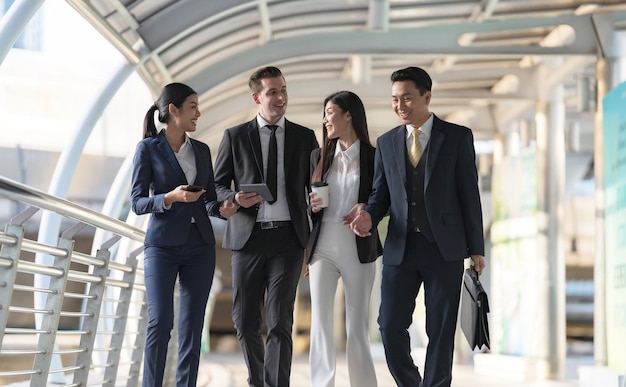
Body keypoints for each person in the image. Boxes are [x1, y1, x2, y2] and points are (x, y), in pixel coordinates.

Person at [350, 67, 486, 387]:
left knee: (441, 327)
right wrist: (369, 215)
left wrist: (476, 248)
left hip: (445, 247)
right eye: (395, 100)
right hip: (400, 247)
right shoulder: (386, 143)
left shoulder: (457, 137)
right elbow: (379, 195)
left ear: (427, 96)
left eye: (407, 98)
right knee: (388, 325)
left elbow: (470, 195)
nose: (400, 106)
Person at [213, 66, 319, 387]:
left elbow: (315, 191)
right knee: (245, 321)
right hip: (248, 239)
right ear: (257, 97)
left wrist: (314, 245)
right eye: (273, 92)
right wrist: (234, 198)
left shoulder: (304, 137)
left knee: (279, 322)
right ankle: (257, 381)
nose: (281, 97)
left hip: (289, 239)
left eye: (283, 90)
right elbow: (217, 185)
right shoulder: (235, 137)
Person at [130, 82, 237, 387]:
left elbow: (209, 199)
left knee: (191, 328)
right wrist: (169, 198)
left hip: (200, 246)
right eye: (193, 106)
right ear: (173, 111)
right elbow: (137, 202)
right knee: (160, 322)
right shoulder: (148, 149)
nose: (198, 113)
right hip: (162, 246)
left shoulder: (201, 150)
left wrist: (223, 209)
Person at [305, 91, 382, 387]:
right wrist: (311, 204)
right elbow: (308, 204)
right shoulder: (319, 156)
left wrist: (366, 209)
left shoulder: (375, 157)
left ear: (348, 115)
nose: (325, 119)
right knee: (321, 325)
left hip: (358, 247)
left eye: (330, 112)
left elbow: (382, 200)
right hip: (323, 246)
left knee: (357, 327)